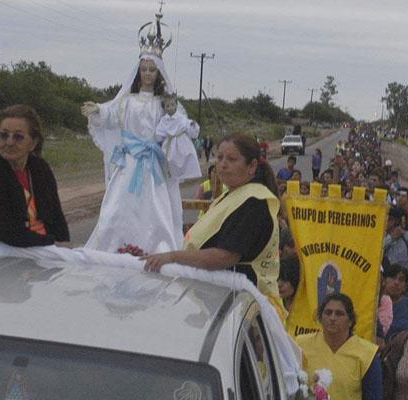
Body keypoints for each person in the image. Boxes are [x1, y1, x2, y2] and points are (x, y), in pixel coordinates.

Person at [141, 133, 285, 318]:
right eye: (219, 157)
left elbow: (225, 257)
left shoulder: (254, 202)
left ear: (252, 166)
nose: (223, 164)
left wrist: (172, 257)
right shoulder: (231, 195)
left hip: (246, 310)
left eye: (232, 159)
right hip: (223, 303)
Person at [80, 11, 183, 254]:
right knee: (118, 207)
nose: (147, 74)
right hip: (128, 163)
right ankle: (115, 245)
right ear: (138, 72)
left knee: (154, 209)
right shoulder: (128, 101)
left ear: (158, 73)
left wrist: (172, 112)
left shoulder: (161, 103)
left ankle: (156, 247)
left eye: (152, 70)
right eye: (144, 69)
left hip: (152, 166)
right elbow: (111, 113)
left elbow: (177, 123)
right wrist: (98, 111)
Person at [0, 105, 69, 247]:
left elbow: (56, 217)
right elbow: (5, 231)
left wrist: (64, 247)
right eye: (4, 135)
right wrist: (52, 243)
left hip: (42, 248)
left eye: (18, 137)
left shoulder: (40, 169)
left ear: (33, 143)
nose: (9, 142)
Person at [296, 293, 382, 400]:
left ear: (350, 321)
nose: (332, 318)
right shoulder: (301, 344)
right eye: (328, 313)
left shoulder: (367, 354)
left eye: (339, 314)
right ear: (320, 317)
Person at [155, 92, 201, 181]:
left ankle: (186, 173)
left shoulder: (181, 118)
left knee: (185, 156)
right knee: (169, 161)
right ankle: (170, 175)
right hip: (169, 143)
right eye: (167, 106)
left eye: (172, 105)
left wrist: (192, 125)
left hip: (181, 142)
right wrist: (160, 138)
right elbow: (159, 133)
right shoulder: (164, 120)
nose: (170, 108)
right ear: (164, 108)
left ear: (176, 105)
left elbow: (188, 126)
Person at [383, 264, 408, 341]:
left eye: (401, 280)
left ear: (405, 287)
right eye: (393, 277)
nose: (396, 282)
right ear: (384, 280)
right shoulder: (374, 302)